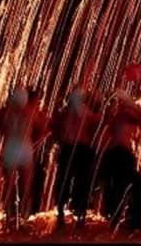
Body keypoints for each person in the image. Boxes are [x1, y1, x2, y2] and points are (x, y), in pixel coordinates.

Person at [97, 89, 141, 231]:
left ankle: (124, 220)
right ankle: (132, 221)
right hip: (120, 155)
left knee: (124, 189)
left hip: (119, 155)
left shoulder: (118, 115)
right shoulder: (123, 114)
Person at [51, 87, 101, 228]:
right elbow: (99, 124)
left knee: (63, 181)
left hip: (67, 148)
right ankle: (81, 217)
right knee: (83, 183)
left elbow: (56, 130)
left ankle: (61, 212)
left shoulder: (65, 113)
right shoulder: (87, 113)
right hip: (82, 150)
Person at [0, 87, 36, 229]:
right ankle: (24, 218)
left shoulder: (6, 113)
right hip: (25, 148)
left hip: (10, 149)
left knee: (9, 186)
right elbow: (43, 127)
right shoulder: (31, 113)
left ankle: (8, 217)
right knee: (26, 186)